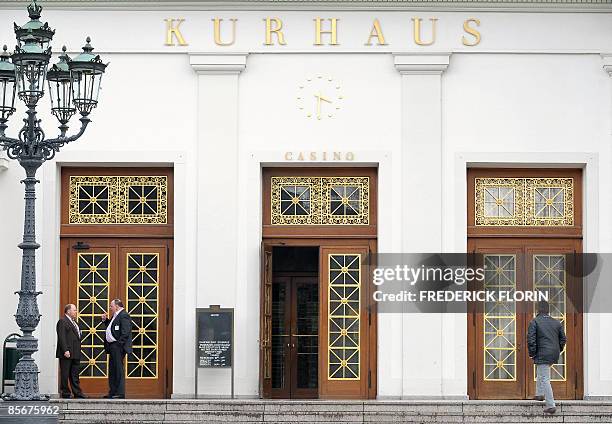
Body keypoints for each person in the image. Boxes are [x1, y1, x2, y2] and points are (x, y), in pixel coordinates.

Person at [527, 300, 566, 414]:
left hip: (542, 352)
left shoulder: (534, 322)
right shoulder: (556, 323)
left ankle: (551, 405)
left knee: (544, 378)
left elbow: (531, 339)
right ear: (548, 310)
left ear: (538, 310)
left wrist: (532, 353)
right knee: (541, 371)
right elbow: (563, 339)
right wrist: (558, 350)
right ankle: (539, 394)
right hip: (553, 353)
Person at [101, 299, 133, 399]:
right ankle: (112, 392)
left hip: (117, 346)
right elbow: (112, 328)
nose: (110, 308)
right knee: (112, 369)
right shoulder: (115, 315)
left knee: (118, 369)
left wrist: (119, 344)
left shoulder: (124, 315)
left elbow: (125, 332)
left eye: (111, 306)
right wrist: (105, 321)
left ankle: (120, 393)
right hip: (112, 346)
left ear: (117, 306)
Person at [56, 304, 87, 399]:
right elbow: (62, 337)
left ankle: (77, 392)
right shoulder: (62, 321)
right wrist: (65, 350)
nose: (76, 312)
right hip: (67, 352)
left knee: (75, 374)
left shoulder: (75, 322)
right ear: (68, 311)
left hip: (76, 352)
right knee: (65, 374)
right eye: (74, 310)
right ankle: (65, 392)